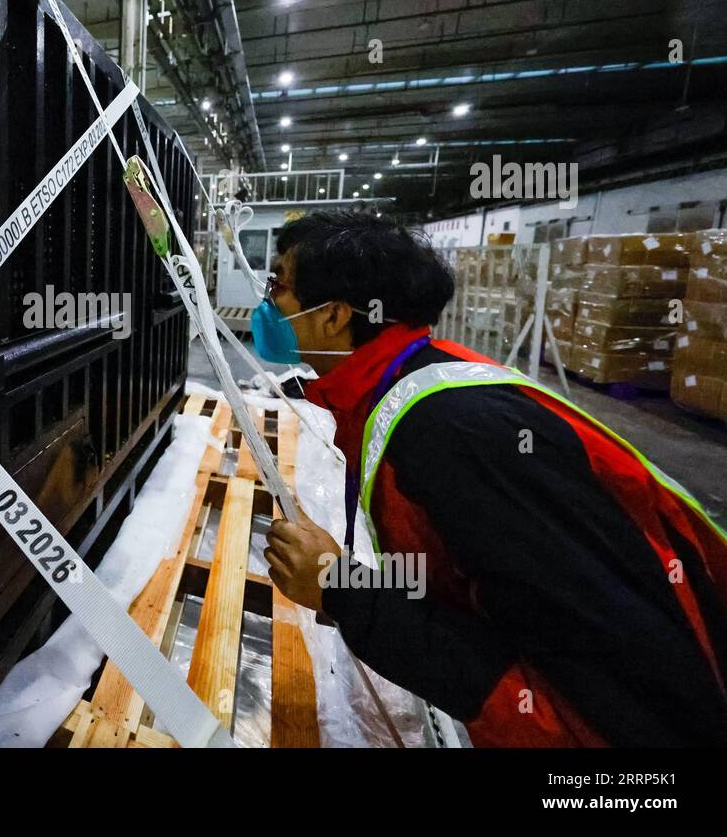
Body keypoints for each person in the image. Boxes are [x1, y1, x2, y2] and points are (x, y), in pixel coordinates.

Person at [253, 211, 727, 746]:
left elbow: (588, 693)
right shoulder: (417, 382)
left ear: (334, 314)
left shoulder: (453, 436)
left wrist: (344, 592)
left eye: (279, 286)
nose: (268, 304)